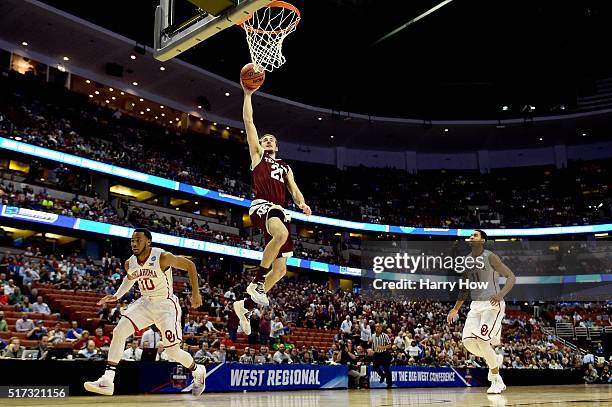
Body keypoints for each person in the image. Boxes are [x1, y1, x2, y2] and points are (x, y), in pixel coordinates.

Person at [84, 229, 206, 396]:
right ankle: (107, 380)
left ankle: (198, 370)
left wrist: (195, 293)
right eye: (132, 241)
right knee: (119, 331)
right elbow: (129, 278)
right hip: (145, 303)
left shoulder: (162, 257)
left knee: (172, 352)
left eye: (138, 240)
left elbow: (190, 265)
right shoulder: (130, 263)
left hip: (166, 307)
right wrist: (116, 295)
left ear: (148, 242)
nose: (134, 243)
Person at [233, 81, 312, 333]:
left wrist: (302, 202)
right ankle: (256, 283)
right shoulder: (257, 156)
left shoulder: (285, 166)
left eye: (271, 140)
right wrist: (247, 96)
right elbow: (249, 123)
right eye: (264, 139)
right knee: (281, 235)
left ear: (277, 147)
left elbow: (294, 188)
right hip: (262, 206)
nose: (266, 141)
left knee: (279, 270)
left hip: (280, 210)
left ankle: (243, 306)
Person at [447, 229, 516, 395]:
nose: (471, 237)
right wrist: (455, 308)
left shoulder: (490, 256)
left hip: (492, 305)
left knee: (482, 339)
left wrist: (500, 295)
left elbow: (511, 276)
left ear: (483, 240)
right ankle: (494, 359)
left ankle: (496, 380)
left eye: (475, 235)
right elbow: (464, 288)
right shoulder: (467, 260)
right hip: (476, 306)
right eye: (470, 235)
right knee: (468, 342)